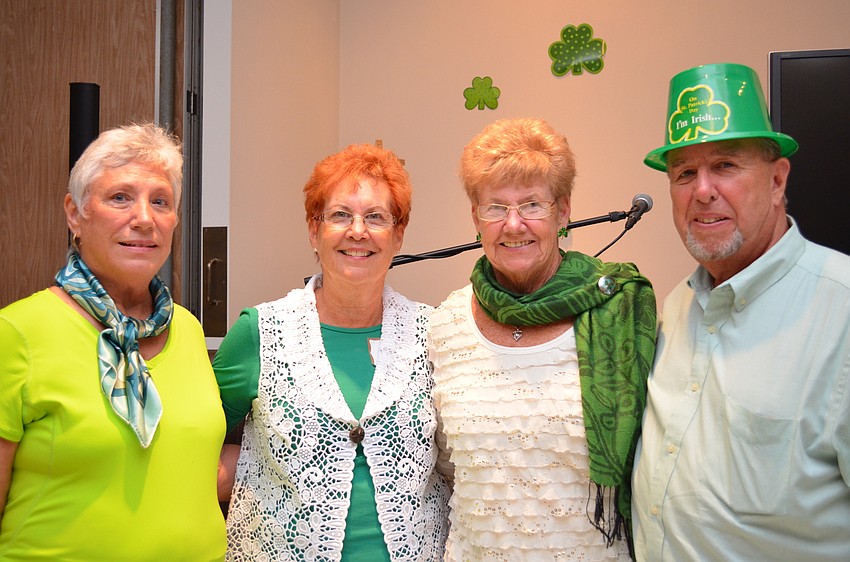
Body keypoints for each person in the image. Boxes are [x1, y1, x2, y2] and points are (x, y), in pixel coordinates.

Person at [632, 62, 850, 561]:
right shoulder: (677, 303)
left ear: (777, 180)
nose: (702, 190)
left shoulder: (841, 311)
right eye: (684, 172)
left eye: (726, 165)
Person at [428, 117, 657, 561]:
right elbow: (444, 467)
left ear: (563, 210)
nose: (514, 225)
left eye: (533, 204)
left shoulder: (615, 309)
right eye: (495, 207)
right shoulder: (445, 324)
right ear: (475, 216)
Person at [0, 124, 226, 560]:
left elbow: (190, 464)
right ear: (74, 213)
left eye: (160, 201)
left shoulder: (188, 329)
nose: (143, 218)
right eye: (120, 197)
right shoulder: (18, 333)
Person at [214, 143, 450, 561]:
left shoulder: (433, 333)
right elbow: (195, 442)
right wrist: (251, 469)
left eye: (375, 217)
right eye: (340, 215)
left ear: (398, 235)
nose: (357, 231)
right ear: (313, 231)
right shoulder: (259, 333)